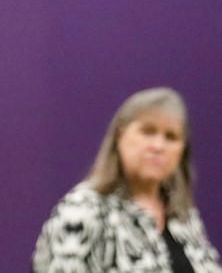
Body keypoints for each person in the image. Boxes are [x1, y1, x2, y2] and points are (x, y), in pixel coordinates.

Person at [33, 87, 221, 272]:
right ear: (119, 136)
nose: (158, 146)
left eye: (171, 137)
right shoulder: (84, 208)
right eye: (148, 132)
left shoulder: (182, 213)